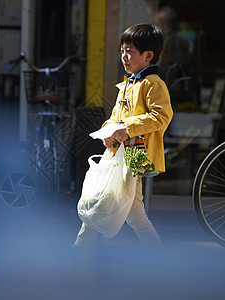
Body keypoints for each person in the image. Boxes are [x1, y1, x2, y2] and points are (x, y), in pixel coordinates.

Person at [74, 23, 173, 246]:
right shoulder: (129, 83)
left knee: (100, 203)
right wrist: (107, 133)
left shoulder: (153, 84)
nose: (124, 56)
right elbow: (115, 117)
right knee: (131, 212)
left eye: (129, 51)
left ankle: (78, 254)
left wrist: (126, 128)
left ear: (148, 56)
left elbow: (162, 116)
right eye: (122, 51)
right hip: (120, 156)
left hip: (134, 157)